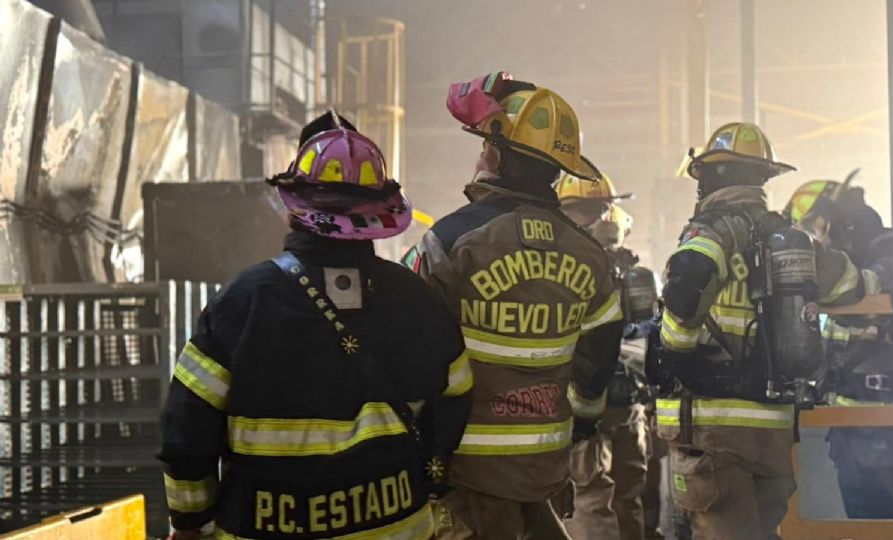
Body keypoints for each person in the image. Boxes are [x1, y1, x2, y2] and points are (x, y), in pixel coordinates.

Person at [159, 112, 472, 540]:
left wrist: (189, 520)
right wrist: (431, 477)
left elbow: (187, 426)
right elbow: (456, 394)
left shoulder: (242, 301)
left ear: (294, 209)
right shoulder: (417, 299)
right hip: (394, 526)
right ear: (378, 215)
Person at [404, 71, 624, 539]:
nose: (481, 154)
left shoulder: (449, 242)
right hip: (544, 468)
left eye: (485, 145)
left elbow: (404, 351)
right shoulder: (590, 255)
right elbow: (599, 357)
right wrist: (582, 419)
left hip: (466, 472)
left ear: (499, 155)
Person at [653, 122, 867, 540]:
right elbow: (848, 283)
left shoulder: (710, 230)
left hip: (714, 428)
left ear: (712, 176)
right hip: (770, 428)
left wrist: (675, 349)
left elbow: (686, 282)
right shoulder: (791, 240)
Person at [785, 180, 893, 519]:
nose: (818, 243)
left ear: (839, 223)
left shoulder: (892, 257)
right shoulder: (863, 258)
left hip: (890, 423)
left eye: (816, 231)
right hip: (854, 424)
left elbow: (856, 289)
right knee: (867, 526)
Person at [555, 174, 657, 540]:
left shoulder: (561, 268)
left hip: (592, 406)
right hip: (621, 402)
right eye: (593, 210)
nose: (601, 216)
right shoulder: (629, 273)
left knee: (596, 497)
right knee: (620, 497)